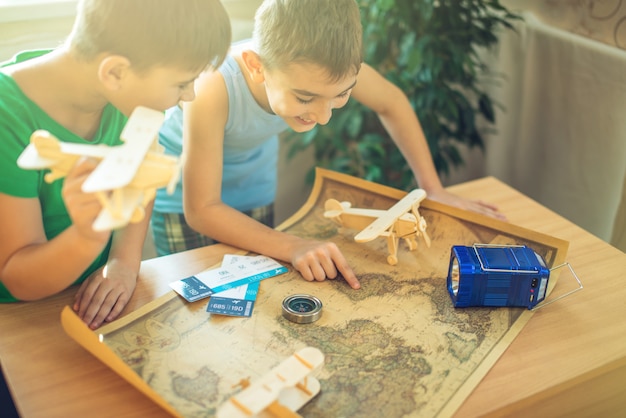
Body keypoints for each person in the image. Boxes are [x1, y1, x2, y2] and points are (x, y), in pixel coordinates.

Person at [153, 0, 504, 290]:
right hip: (182, 204)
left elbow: (392, 102)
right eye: (305, 97)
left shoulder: (329, 69)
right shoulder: (212, 85)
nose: (323, 116)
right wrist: (293, 245)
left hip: (255, 190)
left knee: (253, 295)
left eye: (342, 95)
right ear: (256, 67)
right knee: (197, 304)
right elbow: (201, 210)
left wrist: (433, 188)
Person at [0, 0, 231, 330]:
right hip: (17, 317)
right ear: (115, 72)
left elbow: (140, 183)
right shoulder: (6, 116)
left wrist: (123, 260)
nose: (189, 96)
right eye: (182, 83)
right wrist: (87, 238)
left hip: (87, 295)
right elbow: (18, 277)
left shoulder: (128, 99)